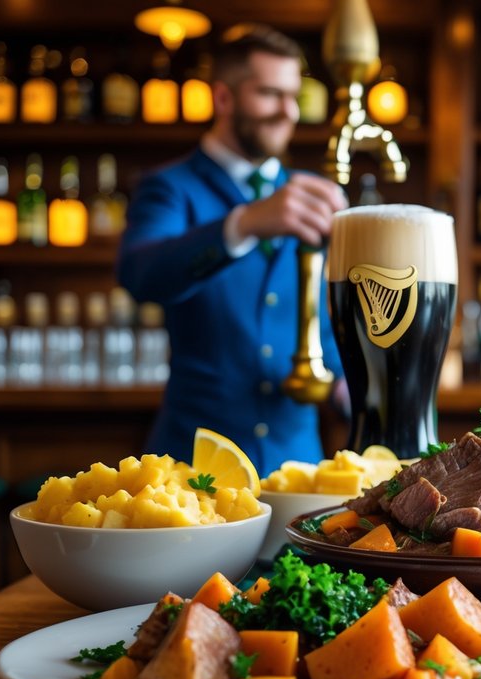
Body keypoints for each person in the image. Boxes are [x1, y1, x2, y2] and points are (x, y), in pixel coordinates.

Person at [117, 23, 349, 477]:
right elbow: (140, 275)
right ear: (223, 98)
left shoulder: (310, 195)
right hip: (194, 465)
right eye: (269, 94)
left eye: (292, 97)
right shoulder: (169, 187)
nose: (288, 112)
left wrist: (349, 387)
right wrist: (241, 224)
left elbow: (322, 320)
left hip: (298, 466)